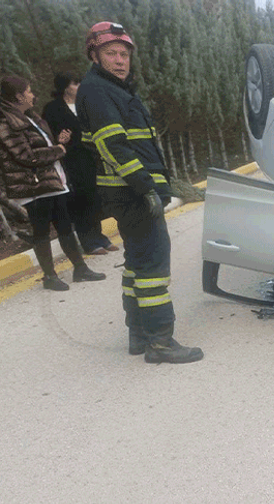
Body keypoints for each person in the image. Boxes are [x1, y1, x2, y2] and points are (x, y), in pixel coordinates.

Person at [76, 21, 203, 364]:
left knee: (136, 263)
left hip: (126, 192)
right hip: (131, 193)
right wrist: (147, 187)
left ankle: (138, 334)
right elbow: (112, 145)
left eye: (124, 53)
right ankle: (160, 341)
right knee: (153, 266)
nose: (119, 60)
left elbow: (138, 146)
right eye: (110, 53)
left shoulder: (113, 89)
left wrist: (165, 181)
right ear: (94, 55)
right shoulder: (99, 90)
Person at [0, 75, 106, 291]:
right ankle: (50, 276)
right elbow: (24, 155)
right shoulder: (5, 122)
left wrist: (58, 143)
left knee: (65, 225)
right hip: (33, 185)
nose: (32, 94)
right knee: (41, 231)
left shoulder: (29, 117)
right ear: (18, 96)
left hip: (51, 180)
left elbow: (40, 148)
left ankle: (80, 269)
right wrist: (58, 150)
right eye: (28, 91)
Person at [42, 72, 119, 256]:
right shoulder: (53, 109)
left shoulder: (85, 104)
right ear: (64, 87)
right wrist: (59, 139)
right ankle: (89, 242)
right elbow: (46, 135)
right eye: (75, 83)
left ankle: (99, 236)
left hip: (92, 157)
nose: (80, 86)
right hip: (71, 161)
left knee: (94, 198)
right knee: (80, 201)